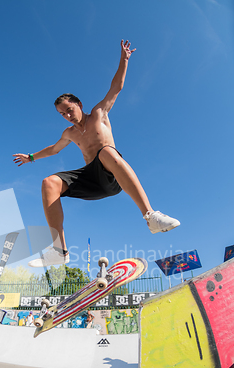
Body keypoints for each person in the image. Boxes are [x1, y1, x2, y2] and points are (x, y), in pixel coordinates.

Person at [13, 39, 180, 268]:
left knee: (105, 153)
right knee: (49, 182)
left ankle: (150, 216)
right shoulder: (69, 133)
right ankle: (59, 250)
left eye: (69, 110)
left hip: (110, 175)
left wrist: (124, 60)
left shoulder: (99, 113)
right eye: (63, 114)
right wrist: (31, 157)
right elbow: (54, 149)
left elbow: (116, 87)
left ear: (79, 104)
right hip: (90, 179)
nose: (68, 116)